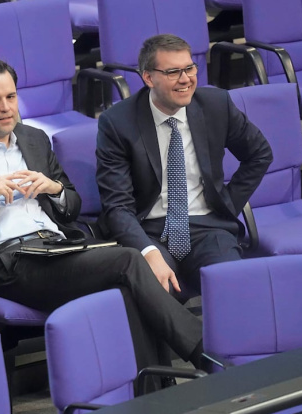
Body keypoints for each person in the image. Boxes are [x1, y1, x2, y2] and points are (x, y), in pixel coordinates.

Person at [0, 58, 204, 370]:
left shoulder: (34, 139)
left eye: (11, 97)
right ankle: (205, 352)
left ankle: (154, 385)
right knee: (129, 260)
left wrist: (55, 189)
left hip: (58, 248)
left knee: (126, 292)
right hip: (8, 262)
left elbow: (72, 206)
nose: (6, 108)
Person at [97, 34, 273, 295]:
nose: (185, 79)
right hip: (149, 230)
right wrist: (148, 251)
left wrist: (227, 204)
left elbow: (259, 154)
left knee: (234, 285)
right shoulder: (117, 123)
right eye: (173, 72)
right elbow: (117, 206)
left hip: (208, 227)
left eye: (189, 68)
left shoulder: (216, 105)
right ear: (148, 78)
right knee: (155, 291)